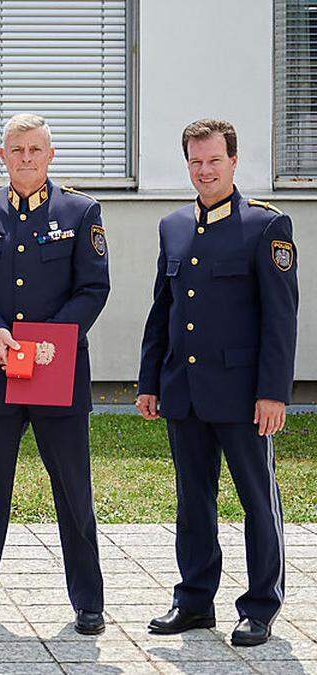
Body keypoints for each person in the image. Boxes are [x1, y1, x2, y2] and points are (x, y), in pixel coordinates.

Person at [0, 113, 109, 635]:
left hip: (57, 375)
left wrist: (47, 340)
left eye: (35, 150)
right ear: (2, 155)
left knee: (72, 489)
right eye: (16, 150)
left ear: (51, 155)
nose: (26, 159)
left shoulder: (81, 211)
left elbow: (93, 289)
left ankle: (88, 601)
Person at [137, 119, 298, 647]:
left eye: (214, 160)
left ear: (234, 160)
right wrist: (149, 381)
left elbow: (281, 318)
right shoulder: (174, 226)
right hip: (184, 390)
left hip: (244, 395)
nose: (204, 171)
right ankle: (194, 600)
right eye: (195, 161)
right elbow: (164, 309)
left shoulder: (265, 227)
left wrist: (273, 392)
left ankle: (260, 605)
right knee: (193, 501)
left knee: (257, 498)